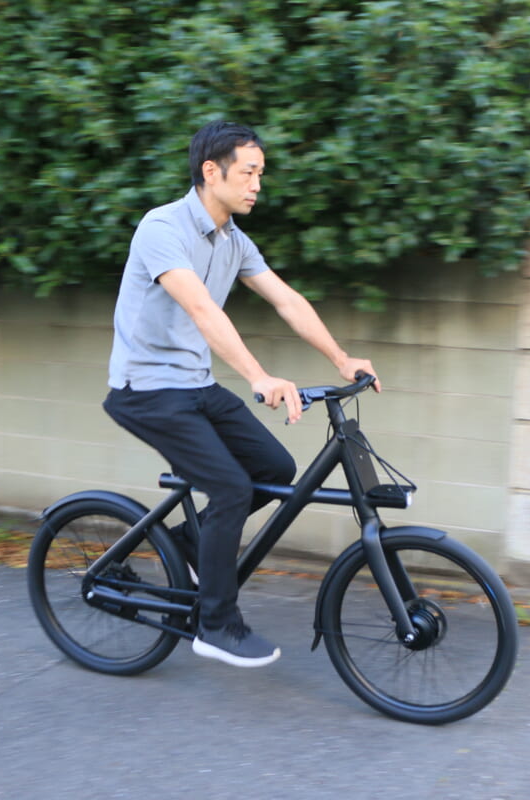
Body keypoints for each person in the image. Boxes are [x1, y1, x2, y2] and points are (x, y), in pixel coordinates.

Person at [102, 121, 379, 668]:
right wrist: (257, 376)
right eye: (249, 172)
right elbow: (202, 309)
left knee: (274, 468)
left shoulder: (233, 240)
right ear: (212, 172)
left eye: (261, 174)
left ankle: (188, 548)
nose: (257, 185)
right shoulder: (162, 227)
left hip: (194, 386)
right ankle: (216, 624)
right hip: (146, 391)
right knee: (230, 487)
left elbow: (287, 300)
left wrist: (341, 358)